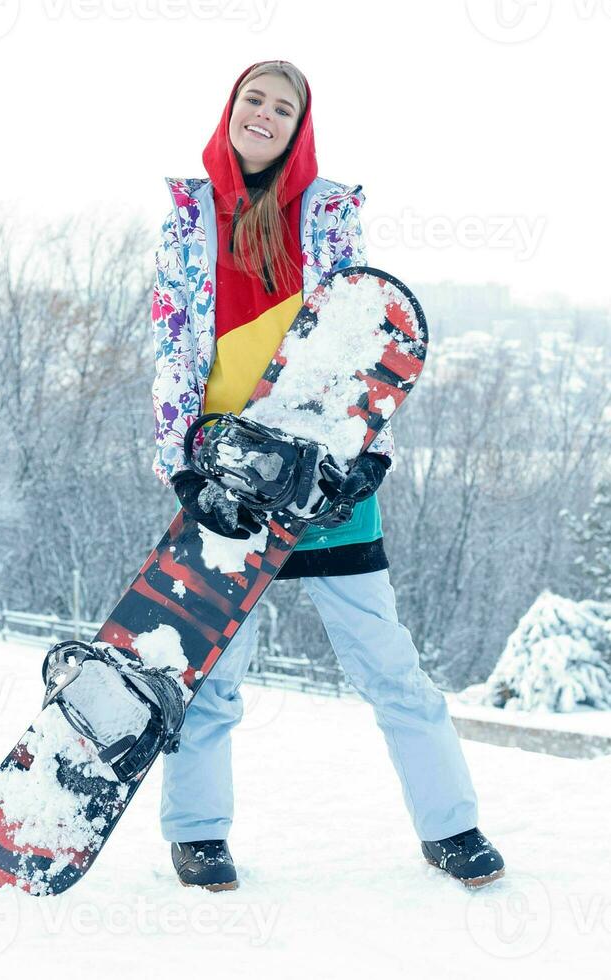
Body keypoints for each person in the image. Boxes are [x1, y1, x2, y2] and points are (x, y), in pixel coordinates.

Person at [150, 60, 504, 890]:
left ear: (300, 125)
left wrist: (366, 450)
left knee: (388, 664)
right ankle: (199, 834)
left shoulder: (329, 212)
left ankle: (451, 828)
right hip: (227, 473)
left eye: (283, 107)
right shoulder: (186, 215)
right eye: (254, 101)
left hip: (322, 474)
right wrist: (180, 468)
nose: (265, 116)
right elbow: (171, 344)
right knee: (212, 674)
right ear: (230, 109)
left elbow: (361, 333)